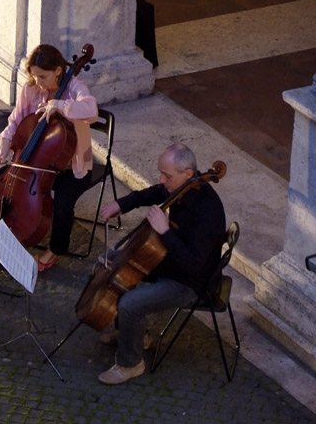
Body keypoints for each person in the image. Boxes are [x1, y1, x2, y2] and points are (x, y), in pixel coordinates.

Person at [95, 143, 226, 385]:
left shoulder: (208, 211)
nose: (162, 179)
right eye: (161, 173)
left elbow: (194, 265)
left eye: (167, 175)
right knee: (111, 262)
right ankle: (133, 333)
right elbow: (154, 192)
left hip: (190, 282)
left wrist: (164, 231)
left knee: (129, 304)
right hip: (169, 262)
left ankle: (130, 364)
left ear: (188, 174)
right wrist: (121, 204)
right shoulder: (182, 187)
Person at [0, 43, 98, 271]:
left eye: (43, 77)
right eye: (34, 76)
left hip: (72, 165)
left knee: (63, 205)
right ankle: (6, 244)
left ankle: (54, 251)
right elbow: (16, 120)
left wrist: (61, 105)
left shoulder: (75, 87)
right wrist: (5, 140)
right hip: (33, 162)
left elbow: (91, 110)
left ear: (58, 71)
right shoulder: (31, 88)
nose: (38, 82)